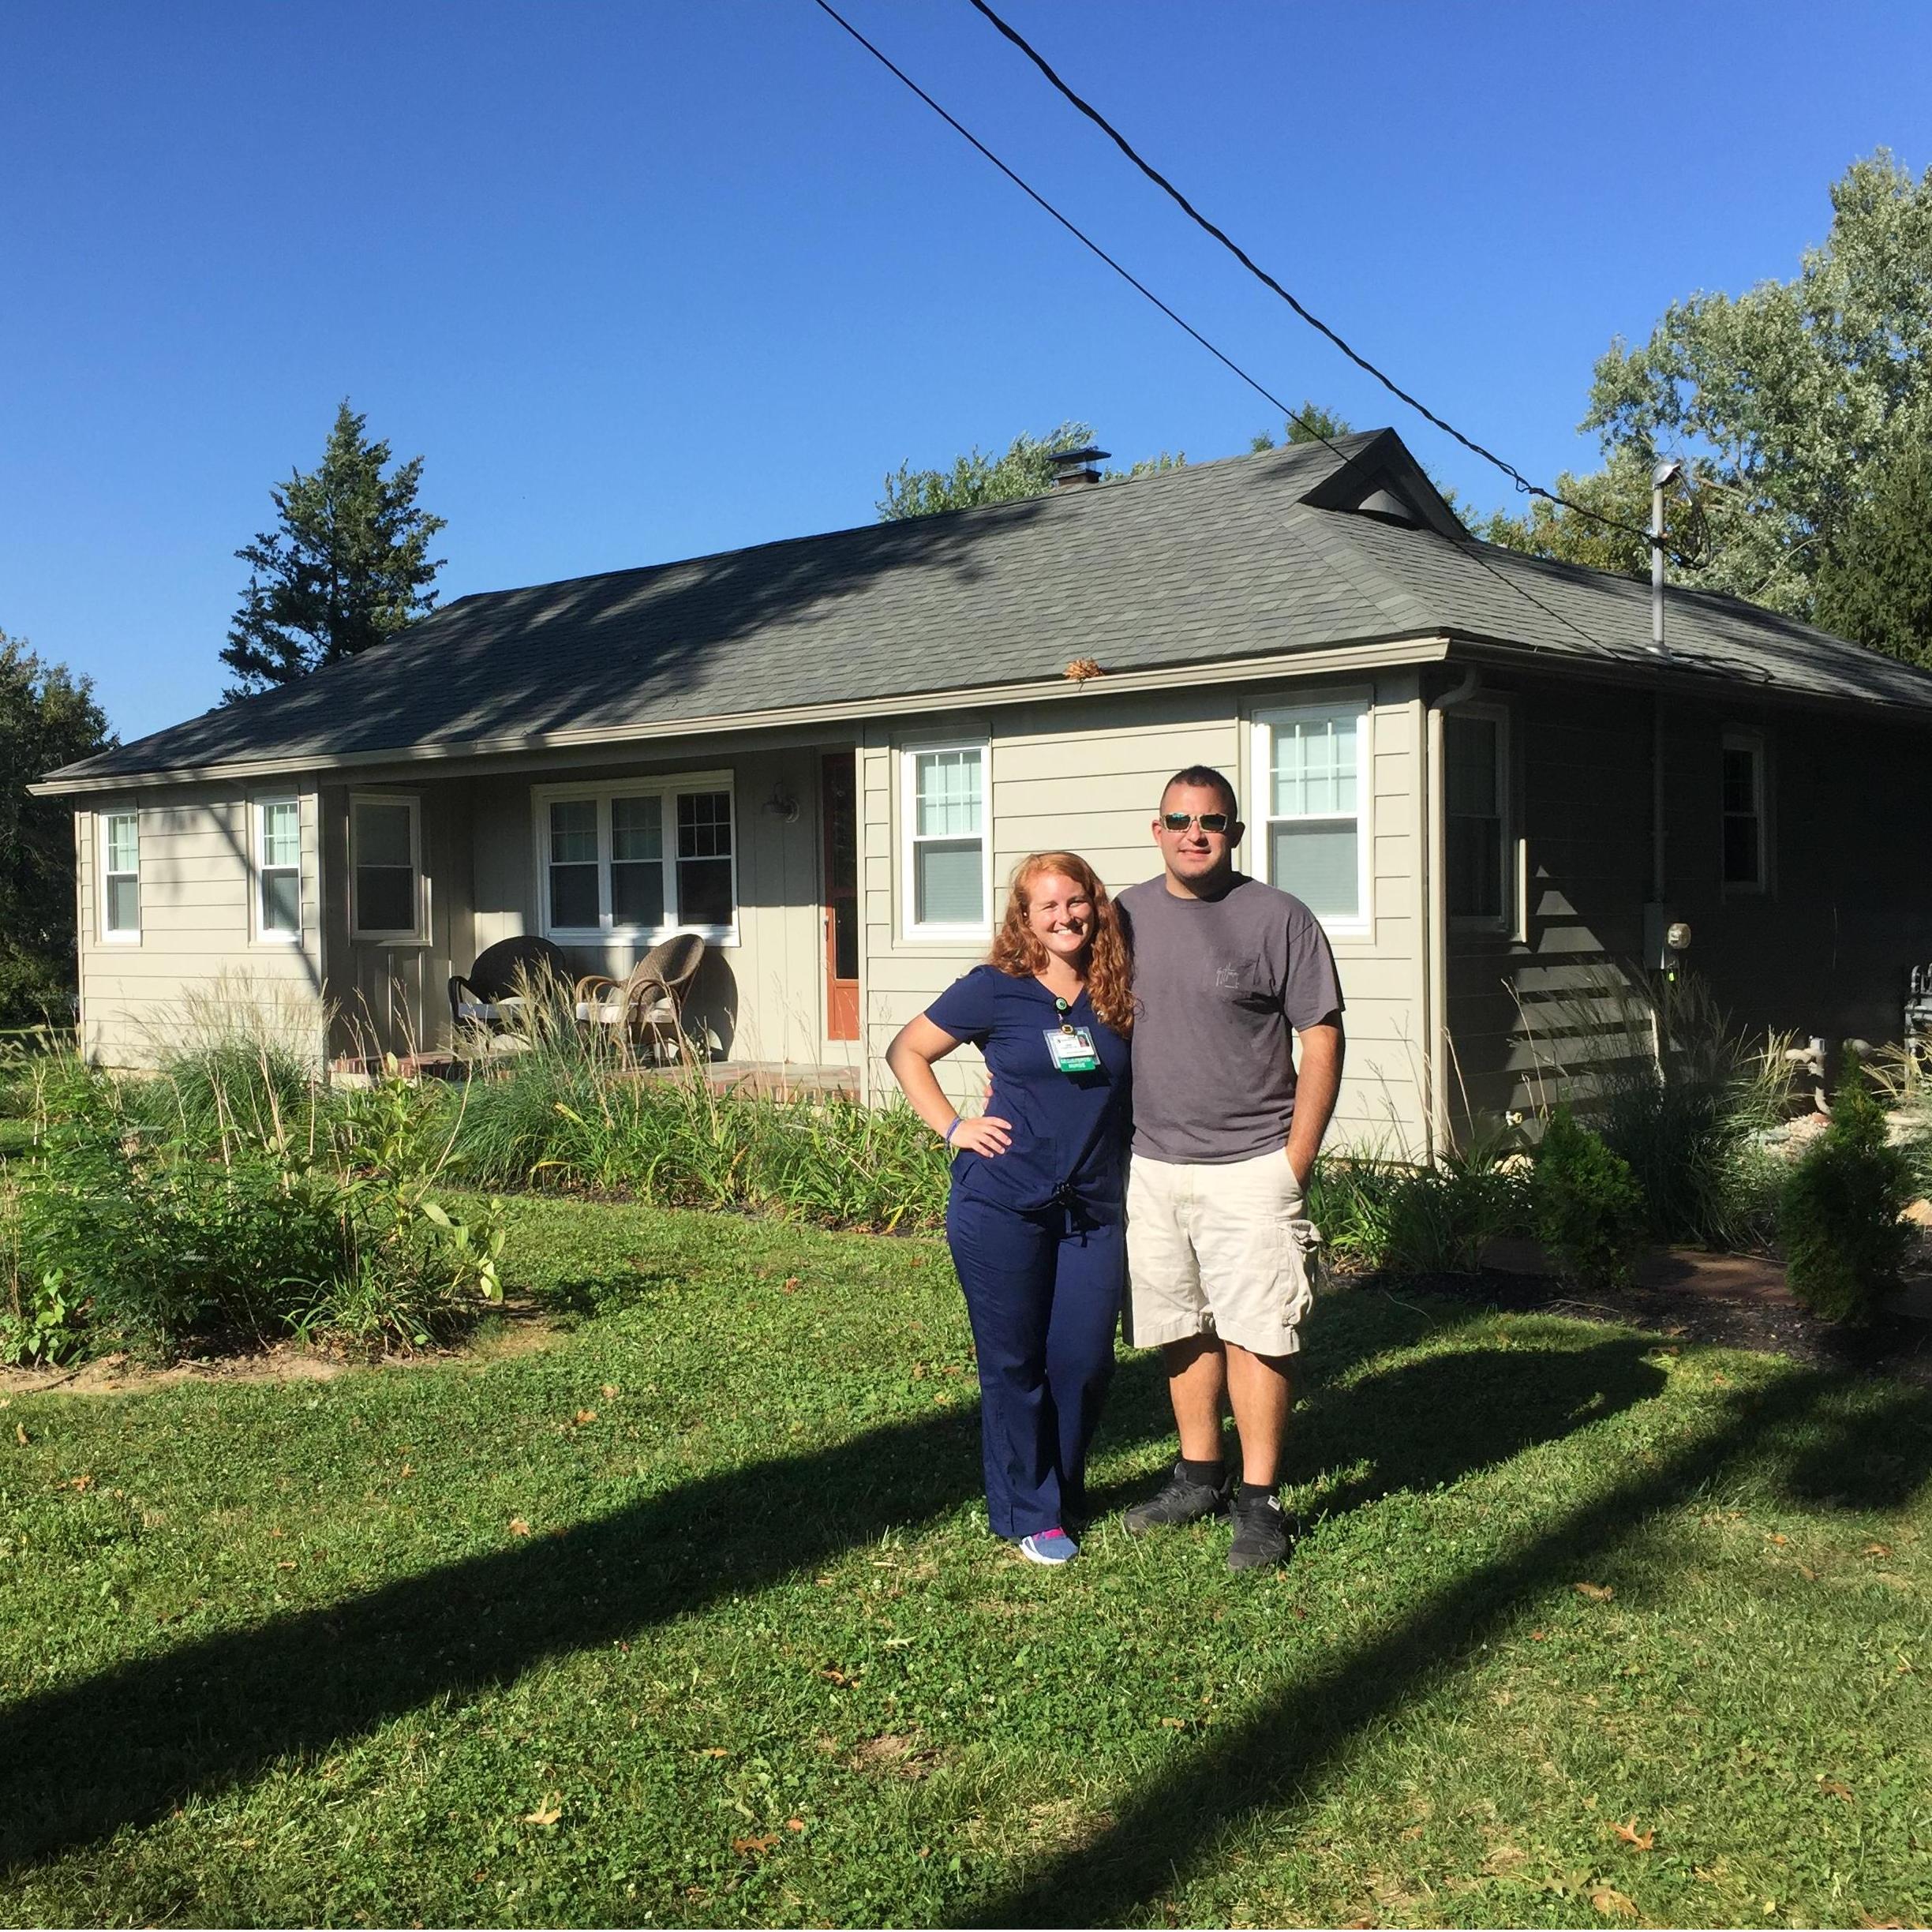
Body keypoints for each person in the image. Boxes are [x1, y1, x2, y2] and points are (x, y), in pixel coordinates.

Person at [1116, 765, 1345, 1571]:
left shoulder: (1279, 919)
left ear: (1236, 833)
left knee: (1259, 1332)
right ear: (1157, 830)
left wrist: (1296, 1159)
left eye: (1211, 820)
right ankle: (1198, 1475)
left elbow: (1321, 1035)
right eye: (1178, 819)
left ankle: (1261, 1501)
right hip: (1152, 1163)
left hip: (1252, 1164)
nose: (1195, 832)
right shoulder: (1124, 916)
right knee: (1178, 1326)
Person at [886, 852, 1133, 1567]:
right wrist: (954, 1126)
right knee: (1014, 1364)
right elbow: (907, 1050)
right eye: (1047, 906)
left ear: (1096, 904)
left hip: (1091, 1209)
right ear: (1023, 917)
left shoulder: (1119, 989)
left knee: (1084, 1362)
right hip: (1000, 1205)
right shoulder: (995, 989)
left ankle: (1058, 1487)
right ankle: (1032, 1510)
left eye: (1076, 901)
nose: (1065, 917)